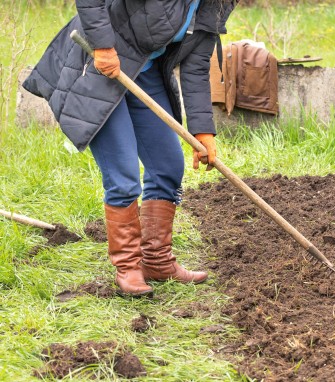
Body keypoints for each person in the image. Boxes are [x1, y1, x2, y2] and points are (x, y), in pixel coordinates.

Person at [23, 0, 237, 297]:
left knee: (167, 166)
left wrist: (203, 131)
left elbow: (196, 65)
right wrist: (103, 45)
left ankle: (157, 261)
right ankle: (129, 269)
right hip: (98, 68)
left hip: (145, 72)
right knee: (123, 177)